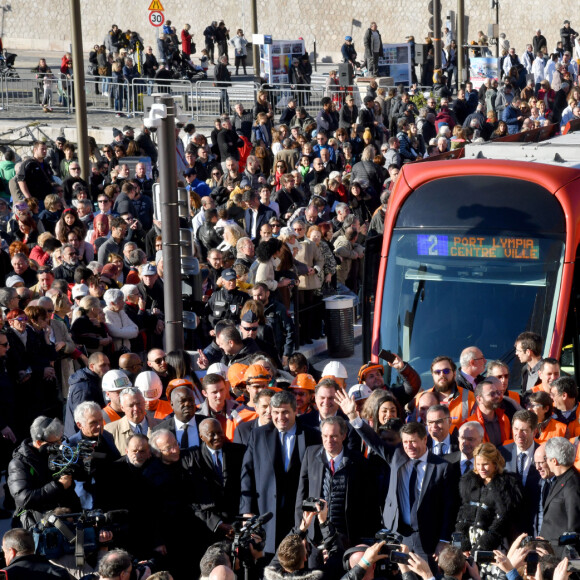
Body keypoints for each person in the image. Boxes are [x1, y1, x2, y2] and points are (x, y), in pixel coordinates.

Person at [240, 390, 321, 557]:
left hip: (298, 516)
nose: (280, 417)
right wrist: (247, 511)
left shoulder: (312, 435)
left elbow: (315, 480)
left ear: (295, 411)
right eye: (276, 412)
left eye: (285, 412)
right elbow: (247, 474)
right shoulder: (258, 435)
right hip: (266, 515)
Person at [295, 416, 378, 553]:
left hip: (346, 538)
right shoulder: (310, 454)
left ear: (344, 436)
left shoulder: (358, 462)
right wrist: (300, 533)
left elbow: (368, 504)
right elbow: (301, 496)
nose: (329, 441)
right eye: (325, 436)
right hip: (314, 538)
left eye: (334, 436)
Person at [8, 416, 81, 528]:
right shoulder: (19, 463)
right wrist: (59, 485)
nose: (60, 446)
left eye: (61, 440)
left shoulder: (58, 452)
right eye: (55, 443)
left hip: (69, 516)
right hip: (40, 523)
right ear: (38, 442)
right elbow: (24, 498)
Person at [454, 442, 523, 552]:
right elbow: (461, 519)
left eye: (485, 464)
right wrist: (459, 547)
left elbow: (502, 521)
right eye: (478, 464)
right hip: (467, 546)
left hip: (493, 548)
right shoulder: (469, 483)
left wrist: (480, 549)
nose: (481, 468)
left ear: (495, 464)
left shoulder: (505, 486)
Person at [193, 418, 245, 525]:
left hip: (238, 518)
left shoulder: (239, 451)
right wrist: (217, 524)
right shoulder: (195, 458)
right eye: (211, 434)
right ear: (201, 437)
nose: (217, 437)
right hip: (211, 524)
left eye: (219, 432)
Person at [499, 410, 541, 535]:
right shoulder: (502, 452)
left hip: (534, 523)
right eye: (516, 429)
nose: (518, 434)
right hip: (508, 525)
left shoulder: (543, 453)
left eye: (524, 430)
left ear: (534, 432)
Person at [540, 437, 580, 555]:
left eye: (546, 458)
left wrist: (565, 564)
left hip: (559, 558)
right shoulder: (560, 479)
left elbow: (574, 530)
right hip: (550, 554)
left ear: (554, 461)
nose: (545, 462)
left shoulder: (572, 486)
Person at [104, 387, 160, 454]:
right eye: (131, 405)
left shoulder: (162, 425)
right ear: (122, 407)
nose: (136, 408)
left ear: (144, 403)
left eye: (139, 403)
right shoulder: (109, 431)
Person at [1, 528, 71, 580]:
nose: (4, 556)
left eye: (4, 551)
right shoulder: (58, 572)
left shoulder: (5, 575)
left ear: (11, 551)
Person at [153, 382, 207, 448]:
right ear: (172, 404)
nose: (187, 404)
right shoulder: (160, 431)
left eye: (191, 400)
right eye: (183, 401)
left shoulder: (208, 424)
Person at [466, 378, 512, 446]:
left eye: (497, 392)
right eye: (492, 394)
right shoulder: (469, 425)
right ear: (479, 399)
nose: (497, 396)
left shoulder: (504, 419)